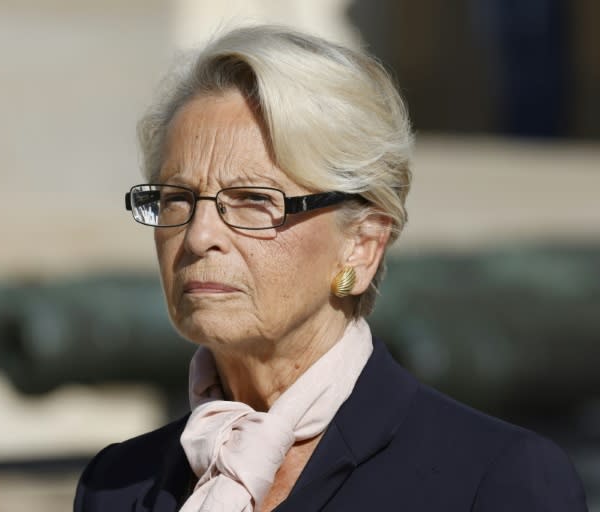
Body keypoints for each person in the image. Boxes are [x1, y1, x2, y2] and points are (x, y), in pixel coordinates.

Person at [74, 25, 587, 511]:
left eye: (254, 199)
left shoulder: (492, 480)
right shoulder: (117, 484)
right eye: (176, 197)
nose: (199, 235)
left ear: (362, 246)